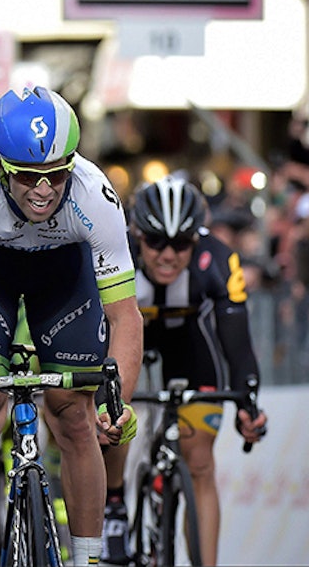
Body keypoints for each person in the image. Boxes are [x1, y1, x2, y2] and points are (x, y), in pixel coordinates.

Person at [0, 86, 142, 567]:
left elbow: (126, 315)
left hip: (63, 278)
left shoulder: (94, 194)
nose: (44, 189)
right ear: (1, 166)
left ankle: (87, 558)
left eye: (56, 174)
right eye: (28, 176)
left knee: (76, 418)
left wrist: (118, 402)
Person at [100, 175, 267, 566]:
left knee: (200, 462)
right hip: (127, 334)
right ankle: (114, 503)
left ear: (197, 239)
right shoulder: (114, 252)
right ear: (136, 234)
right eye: (156, 242)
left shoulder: (219, 259)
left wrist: (248, 400)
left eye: (181, 244)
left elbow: (236, 342)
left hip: (187, 344)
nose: (168, 255)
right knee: (114, 411)